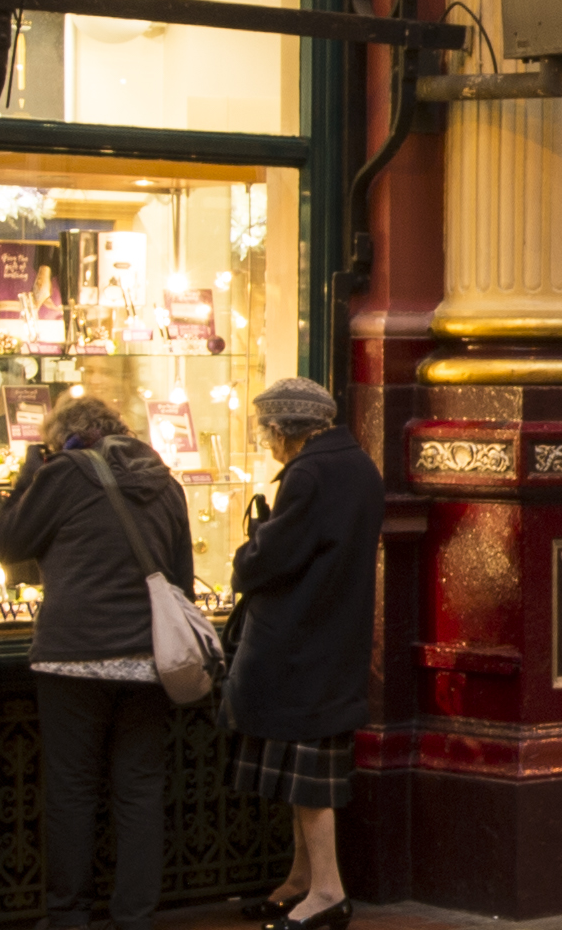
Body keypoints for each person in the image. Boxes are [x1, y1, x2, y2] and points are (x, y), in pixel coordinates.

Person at [0, 393, 197, 930]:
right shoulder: (164, 480)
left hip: (74, 656)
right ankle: (134, 916)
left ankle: (68, 914)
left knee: (72, 789)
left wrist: (28, 478)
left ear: (64, 441)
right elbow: (182, 578)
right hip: (150, 659)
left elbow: (8, 544)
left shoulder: (66, 474)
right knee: (140, 788)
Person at [226, 375, 387, 929]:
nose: (264, 442)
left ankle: (326, 891)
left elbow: (268, 560)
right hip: (333, 639)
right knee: (305, 774)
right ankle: (300, 879)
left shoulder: (310, 474)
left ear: (280, 428)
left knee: (307, 777)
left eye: (264, 431)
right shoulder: (358, 465)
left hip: (298, 645)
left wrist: (249, 549)